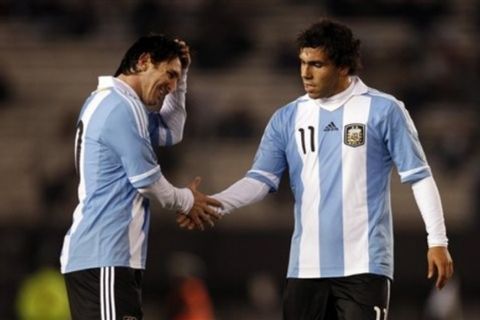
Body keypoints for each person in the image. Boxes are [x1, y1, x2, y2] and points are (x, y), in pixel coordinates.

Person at [178, 19, 454, 319]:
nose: (305, 73)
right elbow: (259, 180)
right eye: (302, 63)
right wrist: (214, 204)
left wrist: (437, 240)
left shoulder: (384, 110)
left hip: (364, 266)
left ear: (343, 67)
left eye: (317, 64)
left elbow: (419, 176)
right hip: (306, 267)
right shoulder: (288, 117)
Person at [60, 34, 221, 320]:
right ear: (143, 61)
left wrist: (181, 80)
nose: (171, 86)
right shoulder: (120, 108)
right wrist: (187, 200)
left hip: (108, 258)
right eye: (169, 75)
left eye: (176, 79)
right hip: (104, 254)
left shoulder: (116, 103)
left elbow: (172, 131)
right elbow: (147, 180)